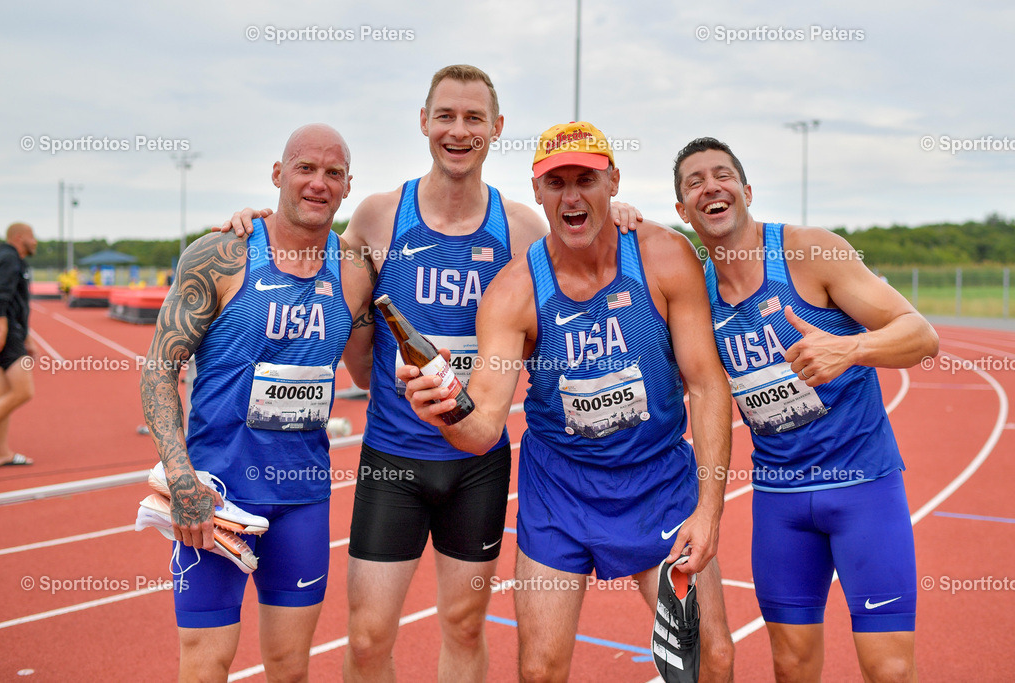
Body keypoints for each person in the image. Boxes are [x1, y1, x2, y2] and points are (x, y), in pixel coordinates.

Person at [223, 65, 641, 682]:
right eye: (445, 115)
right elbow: (313, 270)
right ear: (424, 122)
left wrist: (619, 213)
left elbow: (587, 240)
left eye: (474, 118)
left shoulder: (521, 226)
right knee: (367, 638)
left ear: (496, 128)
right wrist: (258, 221)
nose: (458, 129)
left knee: (465, 624)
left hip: (479, 463)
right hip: (393, 460)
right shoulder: (376, 217)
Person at [400, 121, 735, 682]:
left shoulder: (664, 256)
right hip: (562, 489)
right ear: (537, 192)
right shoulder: (514, 291)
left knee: (710, 658)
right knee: (541, 668)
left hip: (657, 483)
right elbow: (481, 428)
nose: (572, 196)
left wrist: (709, 509)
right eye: (557, 183)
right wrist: (441, 410)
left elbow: (705, 384)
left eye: (587, 179)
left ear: (613, 183)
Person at [672, 137, 939, 681]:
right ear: (682, 211)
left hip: (862, 488)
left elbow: (922, 334)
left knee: (888, 670)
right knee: (791, 667)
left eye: (722, 175)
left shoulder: (810, 251)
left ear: (746, 191)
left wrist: (853, 348)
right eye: (694, 182)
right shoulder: (695, 293)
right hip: (780, 503)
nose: (710, 188)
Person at [140, 123, 375, 682]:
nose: (318, 183)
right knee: (205, 662)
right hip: (215, 498)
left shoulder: (356, 271)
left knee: (291, 668)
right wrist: (181, 480)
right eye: (305, 168)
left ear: (347, 187)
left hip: (302, 500)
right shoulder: (220, 256)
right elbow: (158, 370)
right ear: (278, 174)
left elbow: (375, 365)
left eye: (333, 173)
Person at [0, 222, 38, 467]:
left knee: (4, 395)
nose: (36, 241)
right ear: (19, 237)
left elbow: (17, 303)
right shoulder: (8, 258)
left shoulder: (11, 259)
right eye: (32, 237)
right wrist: (4, 329)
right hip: (6, 333)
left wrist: (26, 336)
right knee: (22, 392)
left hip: (10, 332)